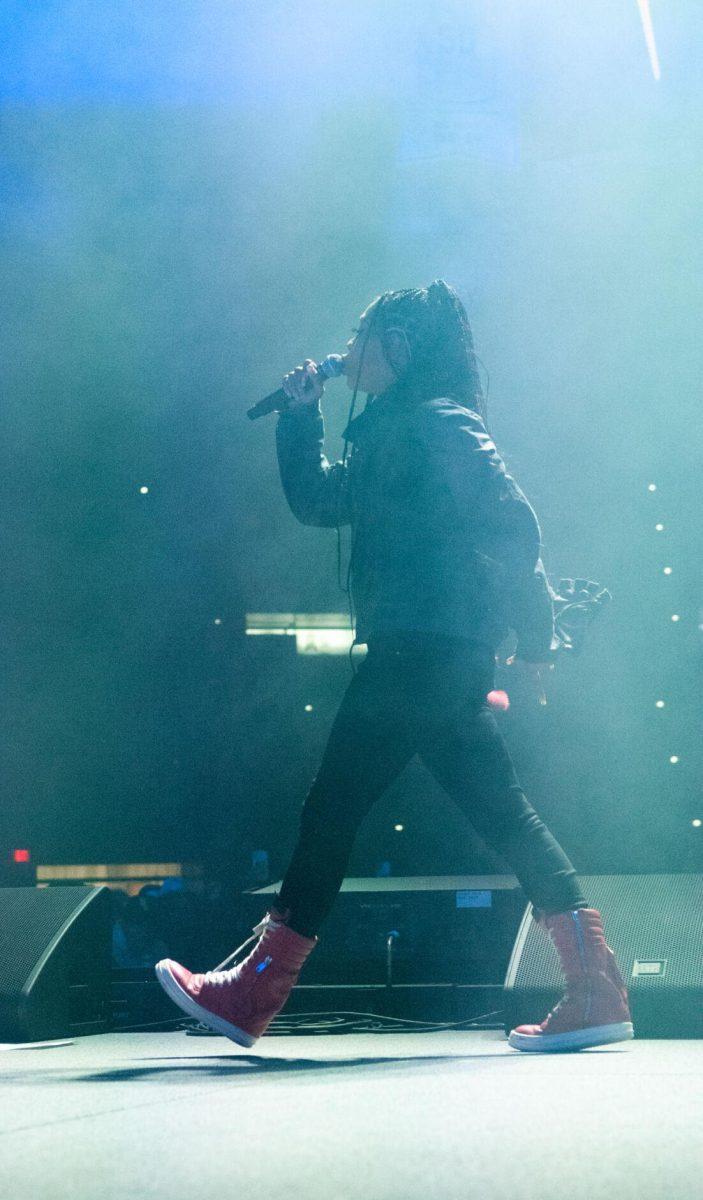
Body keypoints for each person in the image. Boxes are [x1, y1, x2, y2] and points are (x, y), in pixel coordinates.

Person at [155, 280, 633, 1053]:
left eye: (362, 334)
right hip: (432, 650)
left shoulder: (438, 424)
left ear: (401, 349)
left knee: (332, 810)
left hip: (424, 648)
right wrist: (302, 413)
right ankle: (595, 989)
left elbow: (513, 524)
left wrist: (537, 638)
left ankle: (256, 991)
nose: (348, 348)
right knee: (501, 815)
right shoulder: (394, 432)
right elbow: (317, 502)